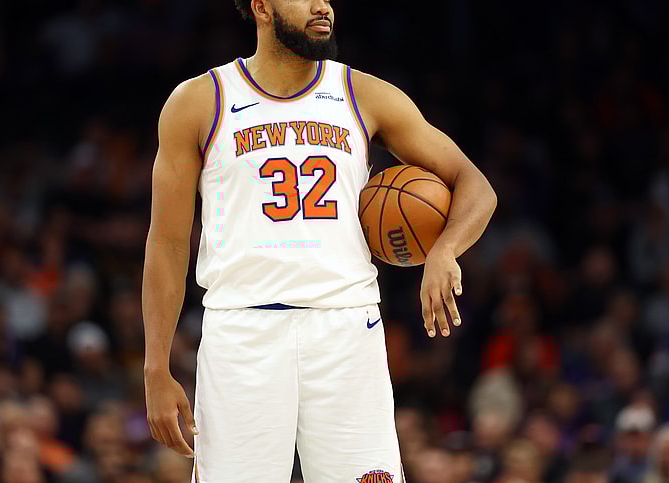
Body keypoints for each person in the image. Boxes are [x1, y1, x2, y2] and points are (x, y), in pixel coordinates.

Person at [141, 0, 497, 481]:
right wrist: (155, 369)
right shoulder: (200, 101)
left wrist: (444, 249)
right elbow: (166, 244)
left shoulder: (363, 94)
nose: (323, 5)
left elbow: (474, 184)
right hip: (242, 333)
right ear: (262, 7)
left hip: (347, 329)